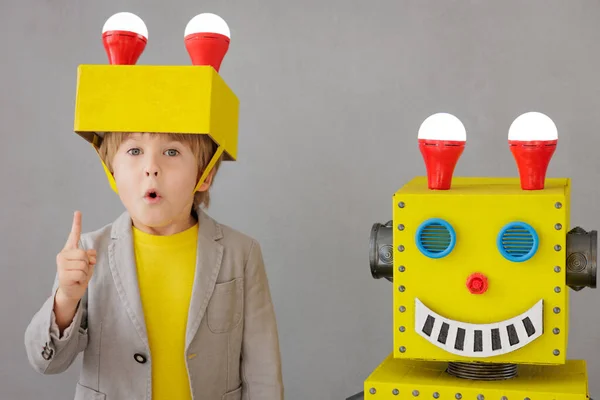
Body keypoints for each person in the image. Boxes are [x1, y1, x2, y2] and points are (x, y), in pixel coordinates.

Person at [24, 130, 284, 399]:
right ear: (112, 171)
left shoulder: (241, 252)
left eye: (171, 152)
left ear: (204, 176)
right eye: (134, 151)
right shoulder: (87, 253)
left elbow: (263, 369)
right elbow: (47, 362)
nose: (151, 168)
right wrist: (66, 298)